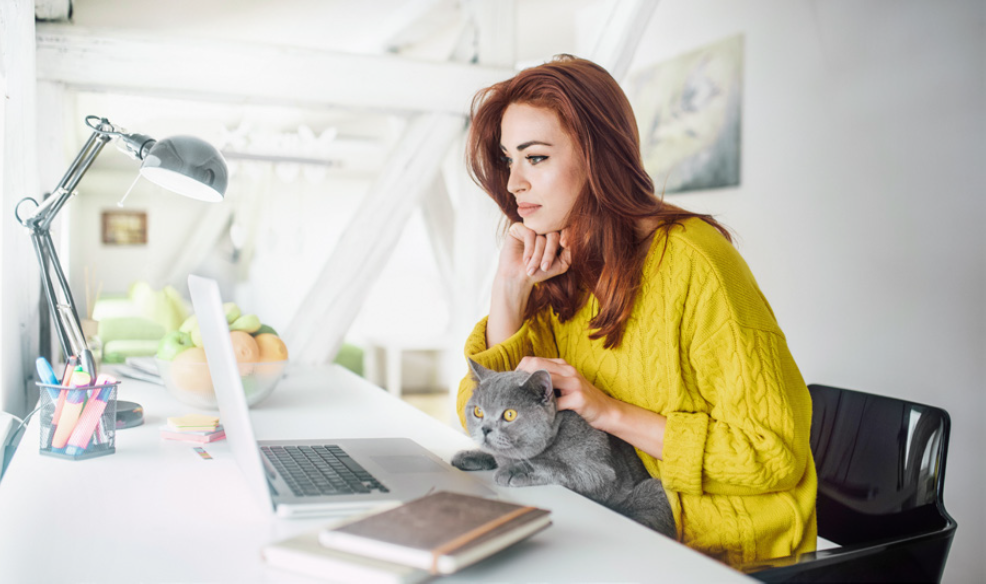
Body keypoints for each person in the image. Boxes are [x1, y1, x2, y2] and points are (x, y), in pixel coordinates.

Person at [455, 54, 817, 567]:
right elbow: (482, 416)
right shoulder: (562, 266)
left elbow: (770, 454)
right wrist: (508, 290)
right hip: (614, 514)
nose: (514, 183)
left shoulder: (698, 263)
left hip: (723, 546)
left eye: (534, 158)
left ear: (599, 158)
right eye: (508, 160)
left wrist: (610, 412)